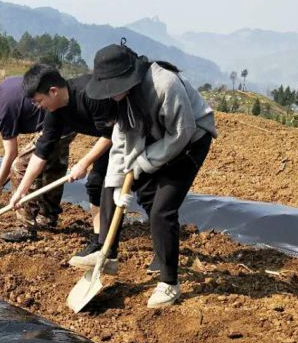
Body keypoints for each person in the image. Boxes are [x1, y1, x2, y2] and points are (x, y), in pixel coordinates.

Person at [83, 42, 217, 308]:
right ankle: (112, 253)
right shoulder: (122, 98)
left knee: (162, 210)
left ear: (127, 78)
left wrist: (144, 161)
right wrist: (115, 182)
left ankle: (169, 284)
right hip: (158, 139)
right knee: (137, 191)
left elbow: (181, 133)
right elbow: (121, 143)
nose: (110, 94)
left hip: (190, 141)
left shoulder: (164, 85)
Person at [9, 64, 118, 245]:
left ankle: (108, 238)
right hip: (107, 136)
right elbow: (41, 152)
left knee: (113, 184)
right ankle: (100, 241)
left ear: (53, 91)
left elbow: (112, 133)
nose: (38, 106)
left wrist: (84, 162)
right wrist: (21, 191)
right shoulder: (54, 112)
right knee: (95, 186)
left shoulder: (91, 93)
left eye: (38, 101)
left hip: (128, 132)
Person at [0, 74, 73, 241]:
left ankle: (26, 227)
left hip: (54, 126)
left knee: (19, 167)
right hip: (68, 120)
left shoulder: (3, 112)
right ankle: (48, 217)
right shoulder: (6, 85)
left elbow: (11, 154)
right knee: (52, 167)